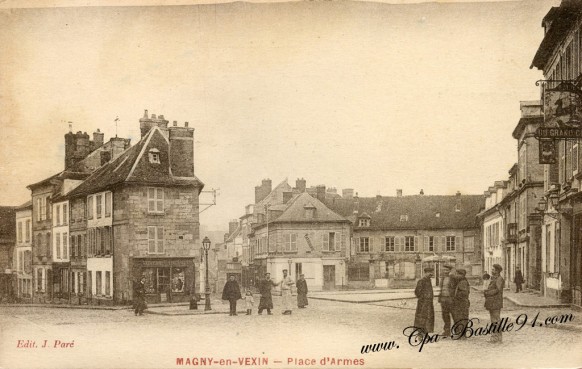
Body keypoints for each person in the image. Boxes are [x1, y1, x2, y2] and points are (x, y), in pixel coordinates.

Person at [484, 264, 505, 343]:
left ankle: (496, 338)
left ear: (497, 271)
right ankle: (496, 338)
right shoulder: (494, 278)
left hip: (496, 302)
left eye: (493, 269)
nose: (491, 271)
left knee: (495, 320)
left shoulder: (499, 279)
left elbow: (498, 290)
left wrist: (488, 293)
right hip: (492, 301)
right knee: (494, 320)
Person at [414, 267, 435, 338]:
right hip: (423, 303)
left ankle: (425, 333)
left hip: (429, 303)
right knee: (422, 317)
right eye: (429, 272)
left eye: (432, 272)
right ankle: (420, 334)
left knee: (428, 318)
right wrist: (423, 298)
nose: (431, 274)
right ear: (425, 273)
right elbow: (417, 292)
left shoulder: (428, 280)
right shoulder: (421, 281)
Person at [451, 268, 470, 339]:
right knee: (458, 318)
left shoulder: (463, 282)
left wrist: (456, 296)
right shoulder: (460, 281)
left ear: (461, 275)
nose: (456, 275)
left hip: (462, 303)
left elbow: (464, 293)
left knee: (462, 318)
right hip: (460, 302)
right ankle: (460, 333)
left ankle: (462, 334)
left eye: (457, 274)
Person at [438, 265, 455, 336]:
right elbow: (441, 288)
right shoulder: (442, 278)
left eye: (447, 270)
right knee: (445, 315)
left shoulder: (453, 278)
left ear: (449, 271)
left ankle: (458, 331)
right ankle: (447, 331)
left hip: (450, 299)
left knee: (454, 315)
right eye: (444, 270)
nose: (445, 272)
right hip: (443, 299)